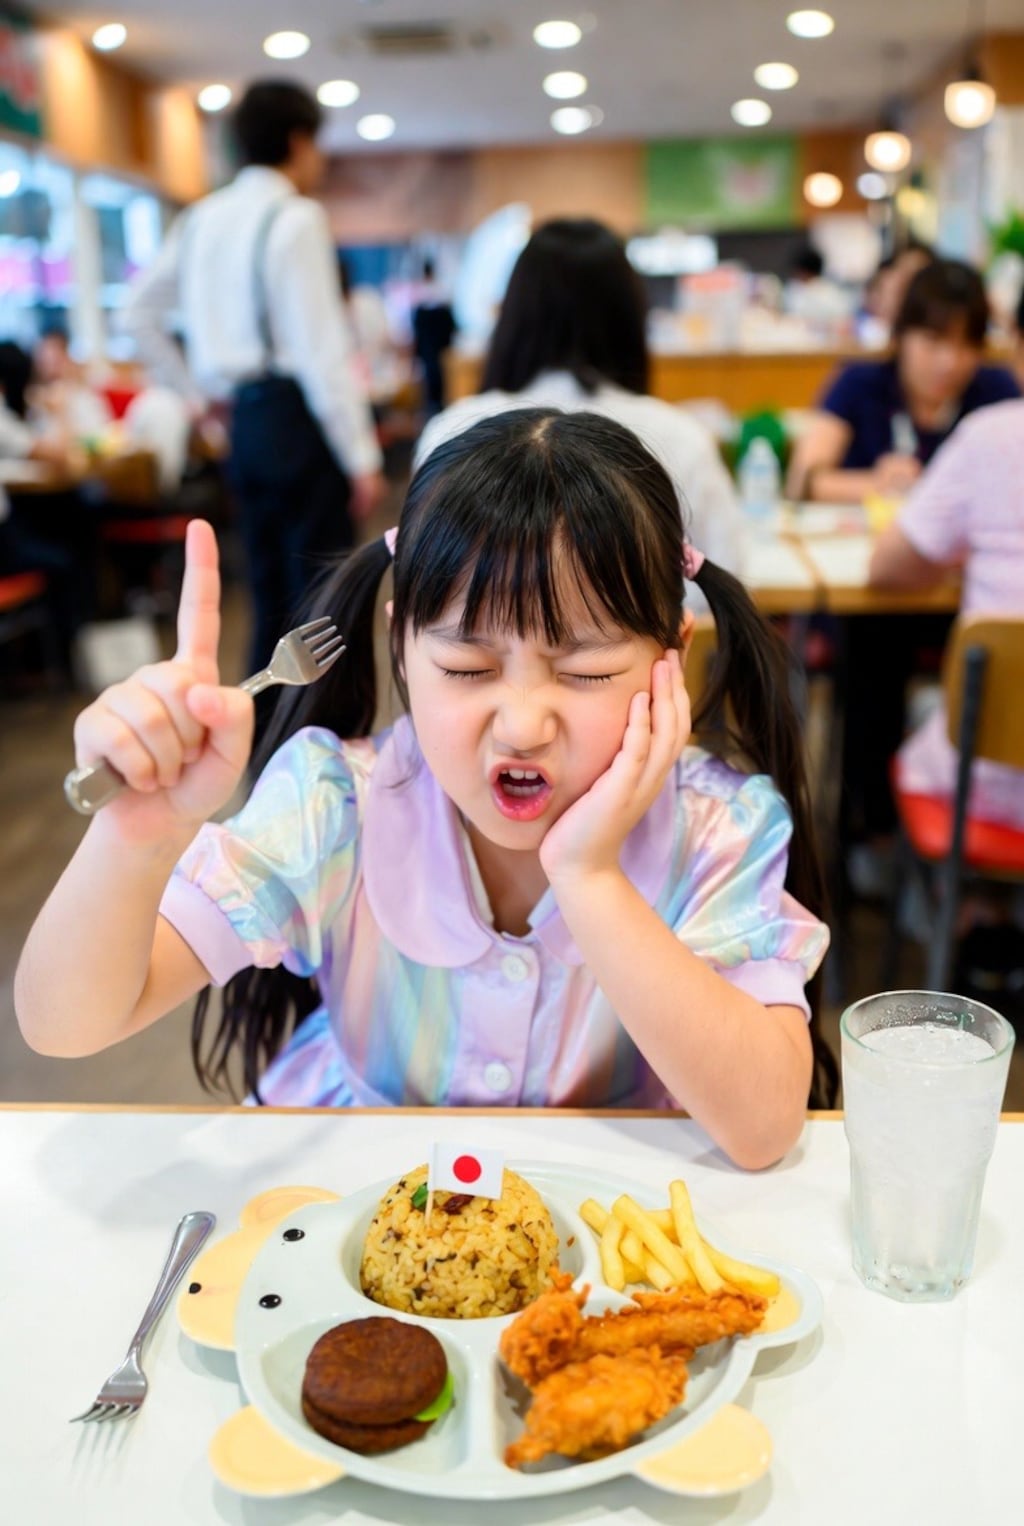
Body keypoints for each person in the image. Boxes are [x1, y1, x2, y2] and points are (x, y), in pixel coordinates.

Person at [15, 410, 833, 1170]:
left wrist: (589, 878)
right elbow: (65, 1023)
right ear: (401, 642)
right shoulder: (337, 804)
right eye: (466, 668)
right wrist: (138, 834)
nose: (521, 724)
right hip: (344, 1210)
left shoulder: (717, 825)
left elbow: (763, 1127)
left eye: (585, 671)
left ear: (672, 654)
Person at [123, 79, 385, 675]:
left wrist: (197, 397)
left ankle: (261, 738)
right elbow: (321, 350)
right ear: (298, 141)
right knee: (322, 598)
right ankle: (319, 741)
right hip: (297, 419)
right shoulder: (295, 217)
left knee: (266, 590)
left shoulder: (201, 218)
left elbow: (137, 313)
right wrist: (361, 456)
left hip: (245, 422)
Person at [415, 219, 745, 612]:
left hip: (484, 667)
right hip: (650, 667)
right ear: (630, 318)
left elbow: (420, 585)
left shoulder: (452, 430)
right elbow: (729, 579)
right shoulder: (679, 436)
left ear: (514, 313)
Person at [869, 395, 1024, 829]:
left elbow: (887, 566)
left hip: (987, 783)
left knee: (924, 711)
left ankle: (954, 893)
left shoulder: (991, 435)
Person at [789, 258, 1019, 504]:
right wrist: (875, 484)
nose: (950, 362)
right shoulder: (858, 382)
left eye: (966, 345)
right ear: (901, 334)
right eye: (934, 340)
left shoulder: (997, 393)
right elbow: (800, 482)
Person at [410, 257, 457, 416]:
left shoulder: (422, 295)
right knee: (438, 377)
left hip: (428, 343)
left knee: (432, 378)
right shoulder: (440, 292)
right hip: (438, 342)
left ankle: (433, 407)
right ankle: (437, 407)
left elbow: (417, 328)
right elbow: (449, 324)